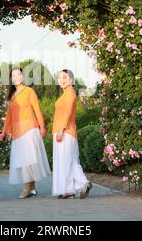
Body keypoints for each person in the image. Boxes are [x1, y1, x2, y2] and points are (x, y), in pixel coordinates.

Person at [0, 67, 51, 199]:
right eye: (13, 75)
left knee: (28, 160)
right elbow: (9, 116)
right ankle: (32, 188)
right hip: (17, 132)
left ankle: (27, 188)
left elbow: (37, 110)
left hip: (29, 129)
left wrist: (42, 127)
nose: (16, 77)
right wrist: (4, 132)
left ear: (23, 77)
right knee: (23, 160)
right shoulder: (12, 96)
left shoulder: (29, 91)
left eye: (19, 74)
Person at [52, 69, 92, 199]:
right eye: (60, 78)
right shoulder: (66, 94)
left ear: (71, 80)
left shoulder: (70, 93)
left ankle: (82, 184)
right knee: (70, 161)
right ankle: (70, 189)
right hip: (65, 131)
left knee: (66, 161)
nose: (62, 80)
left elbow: (68, 112)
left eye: (65, 77)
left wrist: (61, 129)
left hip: (65, 131)